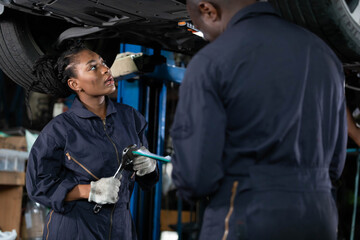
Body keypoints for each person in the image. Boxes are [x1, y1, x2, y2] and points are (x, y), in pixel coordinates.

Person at [170, 1, 347, 240]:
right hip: (320, 218)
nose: (208, 38)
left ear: (208, 10)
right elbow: (335, 165)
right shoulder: (325, 56)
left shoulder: (211, 62)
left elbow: (196, 177)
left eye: (202, 29)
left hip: (247, 215)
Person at [25, 42, 159, 240]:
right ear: (75, 84)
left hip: (120, 229)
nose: (106, 69)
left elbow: (145, 178)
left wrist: (149, 168)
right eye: (93, 67)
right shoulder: (59, 130)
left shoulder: (130, 118)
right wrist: (89, 191)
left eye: (103, 63)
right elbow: (37, 186)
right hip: (75, 230)